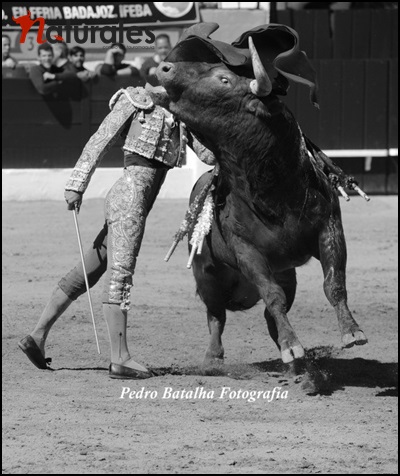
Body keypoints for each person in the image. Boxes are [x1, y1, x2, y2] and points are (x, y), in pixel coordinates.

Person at [18, 85, 216, 379]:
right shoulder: (135, 100)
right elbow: (100, 139)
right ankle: (120, 358)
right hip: (129, 199)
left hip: (134, 202)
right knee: (120, 274)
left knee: (89, 268)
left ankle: (37, 336)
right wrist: (76, 184)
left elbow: (208, 155)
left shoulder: (180, 112)